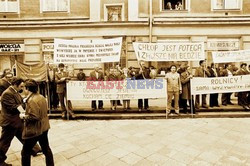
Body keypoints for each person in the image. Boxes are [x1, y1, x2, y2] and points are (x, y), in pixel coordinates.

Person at [0, 78, 41, 166]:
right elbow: (13, 107)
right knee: (4, 143)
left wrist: (24, 101)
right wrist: (25, 103)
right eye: (21, 86)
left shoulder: (14, 91)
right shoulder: (7, 93)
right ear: (15, 85)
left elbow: (19, 102)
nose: (22, 88)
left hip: (16, 121)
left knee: (24, 136)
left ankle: (35, 149)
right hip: (10, 122)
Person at [19, 79, 54, 166]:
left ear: (27, 89)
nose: (23, 89)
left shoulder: (32, 101)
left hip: (35, 130)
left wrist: (23, 116)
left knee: (25, 152)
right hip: (44, 127)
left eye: (24, 87)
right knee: (46, 149)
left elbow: (34, 117)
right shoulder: (41, 97)